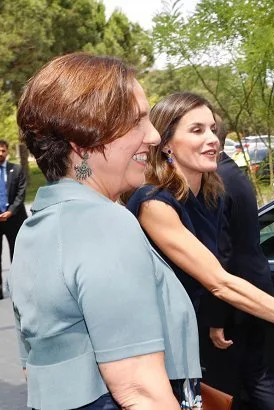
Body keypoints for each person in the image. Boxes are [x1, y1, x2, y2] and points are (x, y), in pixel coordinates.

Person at [9, 53, 202, 410]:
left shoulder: (38, 226)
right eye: (137, 121)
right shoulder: (103, 222)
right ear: (84, 141)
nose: (155, 135)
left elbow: (31, 367)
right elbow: (140, 391)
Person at [125, 92, 274, 370]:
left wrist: (215, 318)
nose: (212, 138)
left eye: (213, 129)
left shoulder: (211, 194)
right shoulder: (154, 202)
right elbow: (218, 281)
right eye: (197, 130)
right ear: (166, 144)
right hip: (153, 341)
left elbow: (221, 261)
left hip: (190, 331)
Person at [196, 114, 274, 409]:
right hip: (257, 285)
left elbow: (220, 253)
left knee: (223, 385)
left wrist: (216, 319)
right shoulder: (233, 172)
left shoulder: (215, 182)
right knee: (257, 375)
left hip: (235, 299)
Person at [0, 140, 27, 300]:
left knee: (16, 255)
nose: (0, 153)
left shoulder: (16, 170)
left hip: (14, 219)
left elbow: (21, 193)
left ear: (7, 151)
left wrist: (10, 212)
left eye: (3, 150)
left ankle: (17, 289)